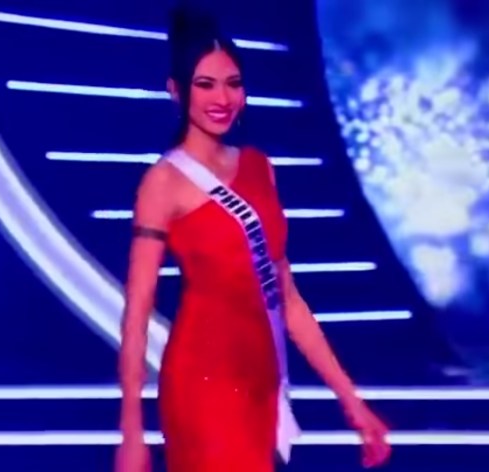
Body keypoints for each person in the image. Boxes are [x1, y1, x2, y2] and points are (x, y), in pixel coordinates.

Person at [115, 5, 392, 472]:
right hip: (203, 382)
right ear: (176, 91)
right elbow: (138, 312)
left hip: (262, 380)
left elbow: (288, 299)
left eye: (233, 83)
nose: (222, 98)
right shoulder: (163, 182)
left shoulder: (260, 167)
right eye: (206, 84)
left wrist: (351, 401)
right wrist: (131, 432)